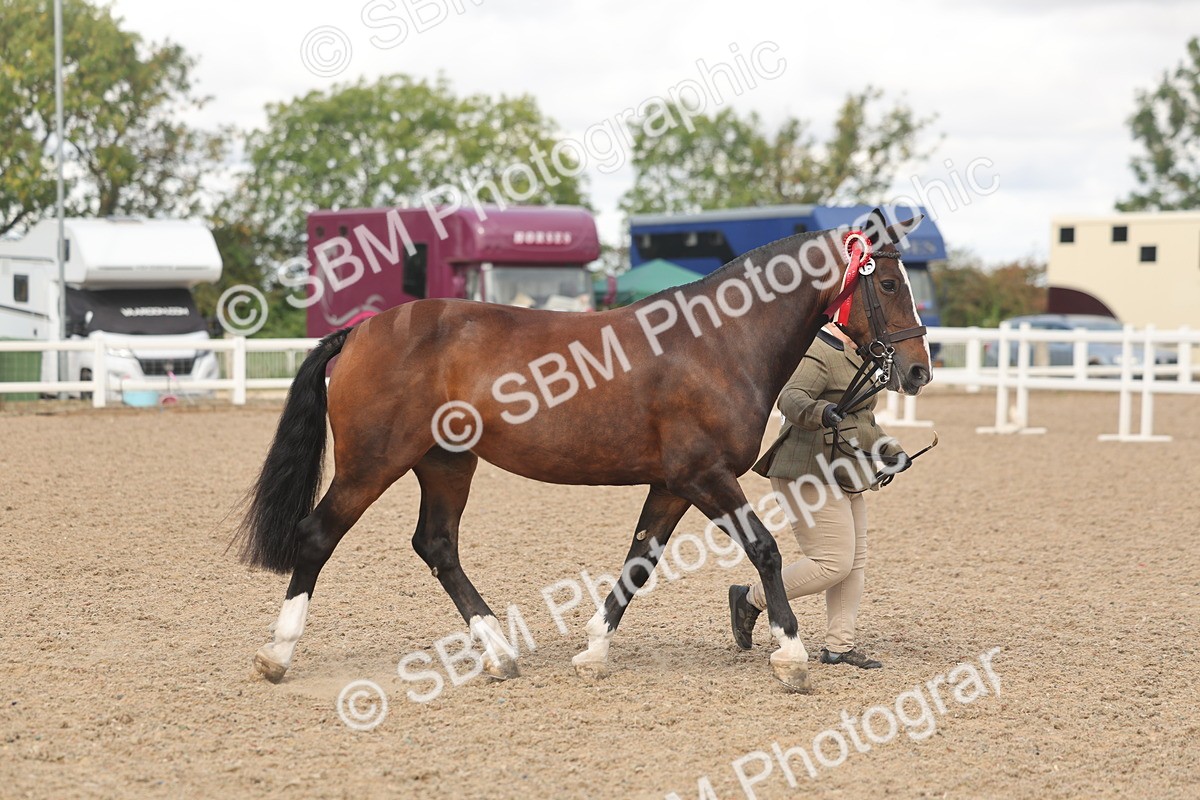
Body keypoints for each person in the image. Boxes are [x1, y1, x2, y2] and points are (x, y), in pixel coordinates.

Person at [728, 323, 909, 669]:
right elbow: (791, 398)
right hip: (805, 470)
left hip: (843, 469)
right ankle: (750, 598)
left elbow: (862, 417)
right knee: (833, 562)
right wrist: (820, 412)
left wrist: (890, 450)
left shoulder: (859, 355)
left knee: (855, 560)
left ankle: (840, 646)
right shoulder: (819, 352)